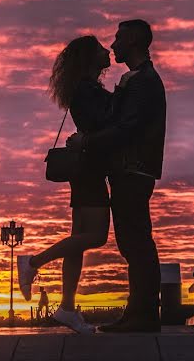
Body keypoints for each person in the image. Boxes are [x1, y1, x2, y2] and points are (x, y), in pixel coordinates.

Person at [68, 19, 166, 333]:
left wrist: (87, 142)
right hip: (128, 170)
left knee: (136, 241)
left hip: (133, 170)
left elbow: (127, 128)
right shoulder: (134, 80)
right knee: (132, 241)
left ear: (135, 40)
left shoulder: (142, 81)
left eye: (119, 38)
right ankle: (138, 312)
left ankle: (144, 315)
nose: (113, 45)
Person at [17, 35, 113, 335]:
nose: (107, 50)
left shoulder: (85, 88)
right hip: (91, 168)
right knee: (95, 236)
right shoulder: (86, 90)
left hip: (86, 168)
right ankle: (34, 261)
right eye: (100, 48)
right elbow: (103, 123)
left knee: (79, 240)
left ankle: (67, 308)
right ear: (88, 58)